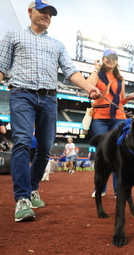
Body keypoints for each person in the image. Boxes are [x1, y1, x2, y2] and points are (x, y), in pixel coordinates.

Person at [0, 1, 101, 222]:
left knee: (45, 148)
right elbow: (1, 66)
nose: (47, 16)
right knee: (23, 141)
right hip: (22, 94)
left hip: (49, 98)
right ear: (30, 12)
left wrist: (88, 88)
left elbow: (71, 71)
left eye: (50, 14)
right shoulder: (13, 35)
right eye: (43, 11)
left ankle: (33, 188)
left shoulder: (56, 44)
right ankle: (22, 199)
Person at [87, 48, 134, 198]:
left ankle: (119, 189)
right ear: (103, 59)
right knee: (101, 152)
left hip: (119, 117)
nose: (111, 60)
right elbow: (88, 86)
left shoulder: (120, 79)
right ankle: (100, 187)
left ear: (117, 61)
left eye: (114, 58)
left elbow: (120, 99)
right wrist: (95, 70)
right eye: (108, 58)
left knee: (118, 152)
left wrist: (127, 99)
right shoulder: (98, 75)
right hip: (100, 117)